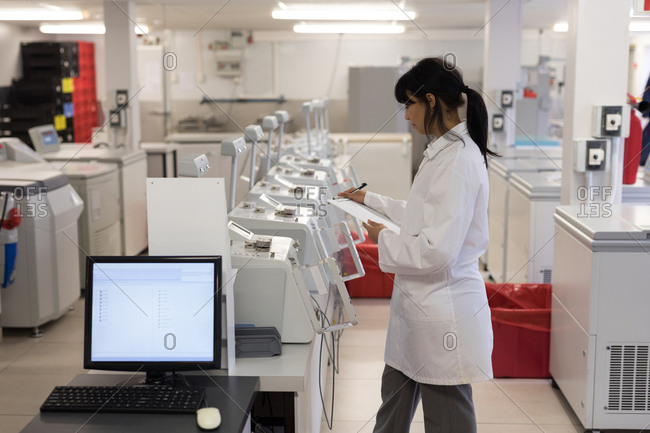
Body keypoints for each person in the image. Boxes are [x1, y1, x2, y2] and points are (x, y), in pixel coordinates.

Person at [338, 57, 497, 433]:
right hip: (419, 313)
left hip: (443, 316)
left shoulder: (458, 160)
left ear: (429, 100)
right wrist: (369, 201)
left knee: (448, 421)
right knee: (392, 409)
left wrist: (384, 239)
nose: (407, 116)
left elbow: (437, 250)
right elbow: (424, 213)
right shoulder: (445, 151)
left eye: (408, 104)